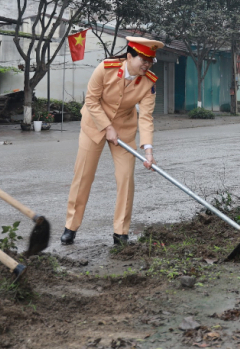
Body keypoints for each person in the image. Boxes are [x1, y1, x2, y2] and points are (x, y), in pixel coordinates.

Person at [61, 37, 163, 247]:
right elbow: (91, 100)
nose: (146, 64)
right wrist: (107, 127)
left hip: (124, 131)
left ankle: (121, 233)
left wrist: (149, 151)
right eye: (143, 59)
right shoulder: (105, 68)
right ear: (129, 56)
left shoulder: (148, 82)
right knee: (83, 176)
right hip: (94, 125)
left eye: (150, 60)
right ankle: (70, 227)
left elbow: (145, 117)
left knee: (126, 179)